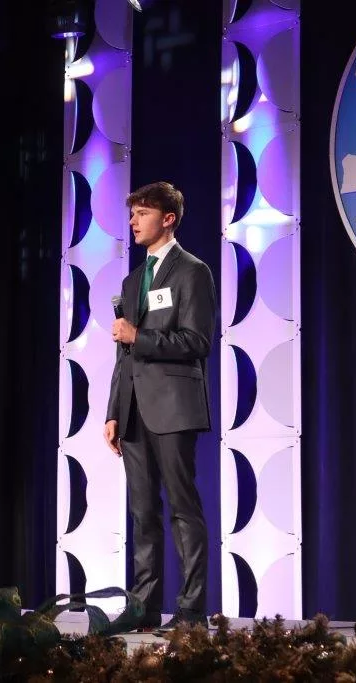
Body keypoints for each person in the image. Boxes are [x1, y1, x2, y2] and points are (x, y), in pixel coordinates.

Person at [104, 181, 216, 634]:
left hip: (173, 406)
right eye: (132, 213)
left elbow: (197, 340)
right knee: (142, 512)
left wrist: (140, 336)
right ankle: (144, 607)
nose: (133, 221)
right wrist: (113, 411)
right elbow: (123, 355)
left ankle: (191, 612)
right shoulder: (133, 280)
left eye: (143, 213)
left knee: (183, 509)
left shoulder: (193, 271)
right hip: (133, 410)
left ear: (168, 219)